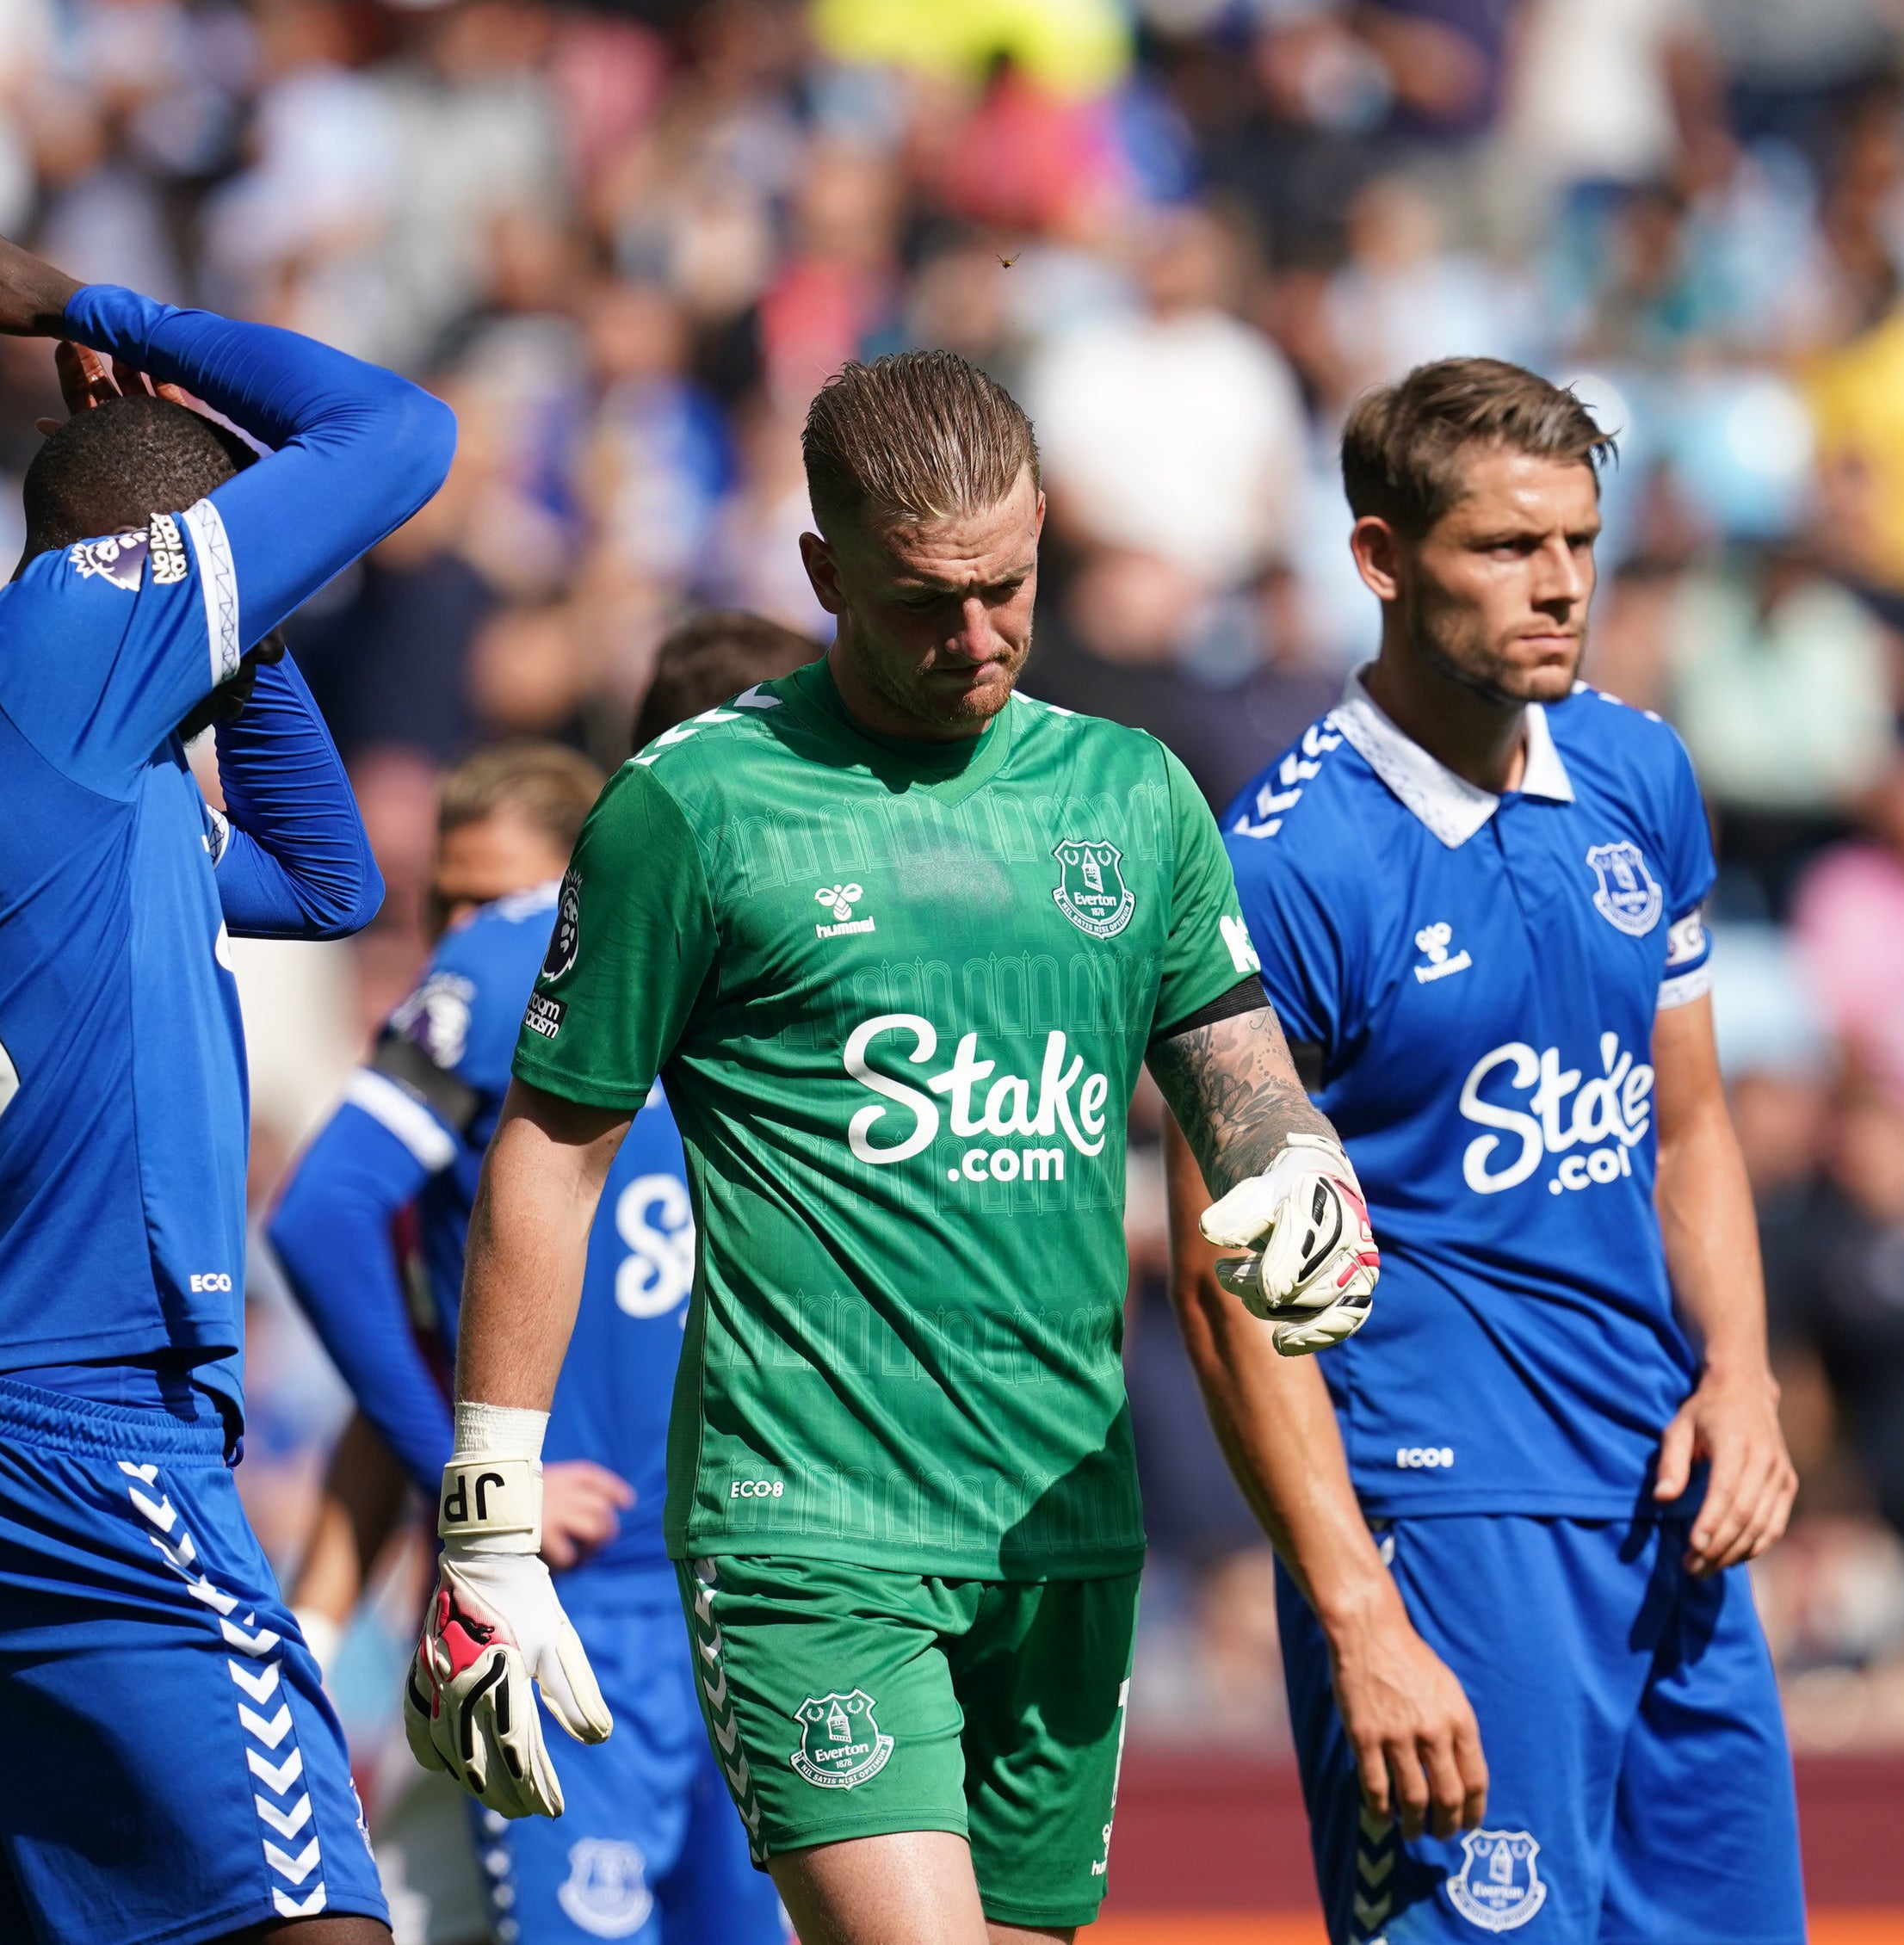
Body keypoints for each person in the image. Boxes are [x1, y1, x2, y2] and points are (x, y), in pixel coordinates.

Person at [413, 350, 1381, 1945]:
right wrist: (489, 1515)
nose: (979, 635)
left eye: (1009, 587)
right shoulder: (698, 808)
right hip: (811, 1525)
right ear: (820, 572)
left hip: (1063, 1523)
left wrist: (1299, 1169)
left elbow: (1230, 1064)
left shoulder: (1131, 792)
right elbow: (552, 1146)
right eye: (927, 598)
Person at [0, 226, 453, 1945]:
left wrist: (229, 617)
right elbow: (401, 435)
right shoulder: (48, 668)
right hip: (71, 1406)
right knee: (309, 1912)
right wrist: (90, 306)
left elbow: (321, 882)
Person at [1170, 357, 1802, 1945]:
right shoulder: (1289, 867)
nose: (1564, 586)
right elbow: (1223, 1276)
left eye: (1583, 544)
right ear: (1381, 559)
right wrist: (1357, 1610)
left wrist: (1741, 1373)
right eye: (1509, 549)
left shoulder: (1638, 774)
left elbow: (1691, 1125)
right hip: (1448, 1522)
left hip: (1666, 1491)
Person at [272, 608, 819, 1945]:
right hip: (593, 1602)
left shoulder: (807, 968)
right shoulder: (538, 950)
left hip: (774, 1594)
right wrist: (479, 1490)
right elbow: (325, 1221)